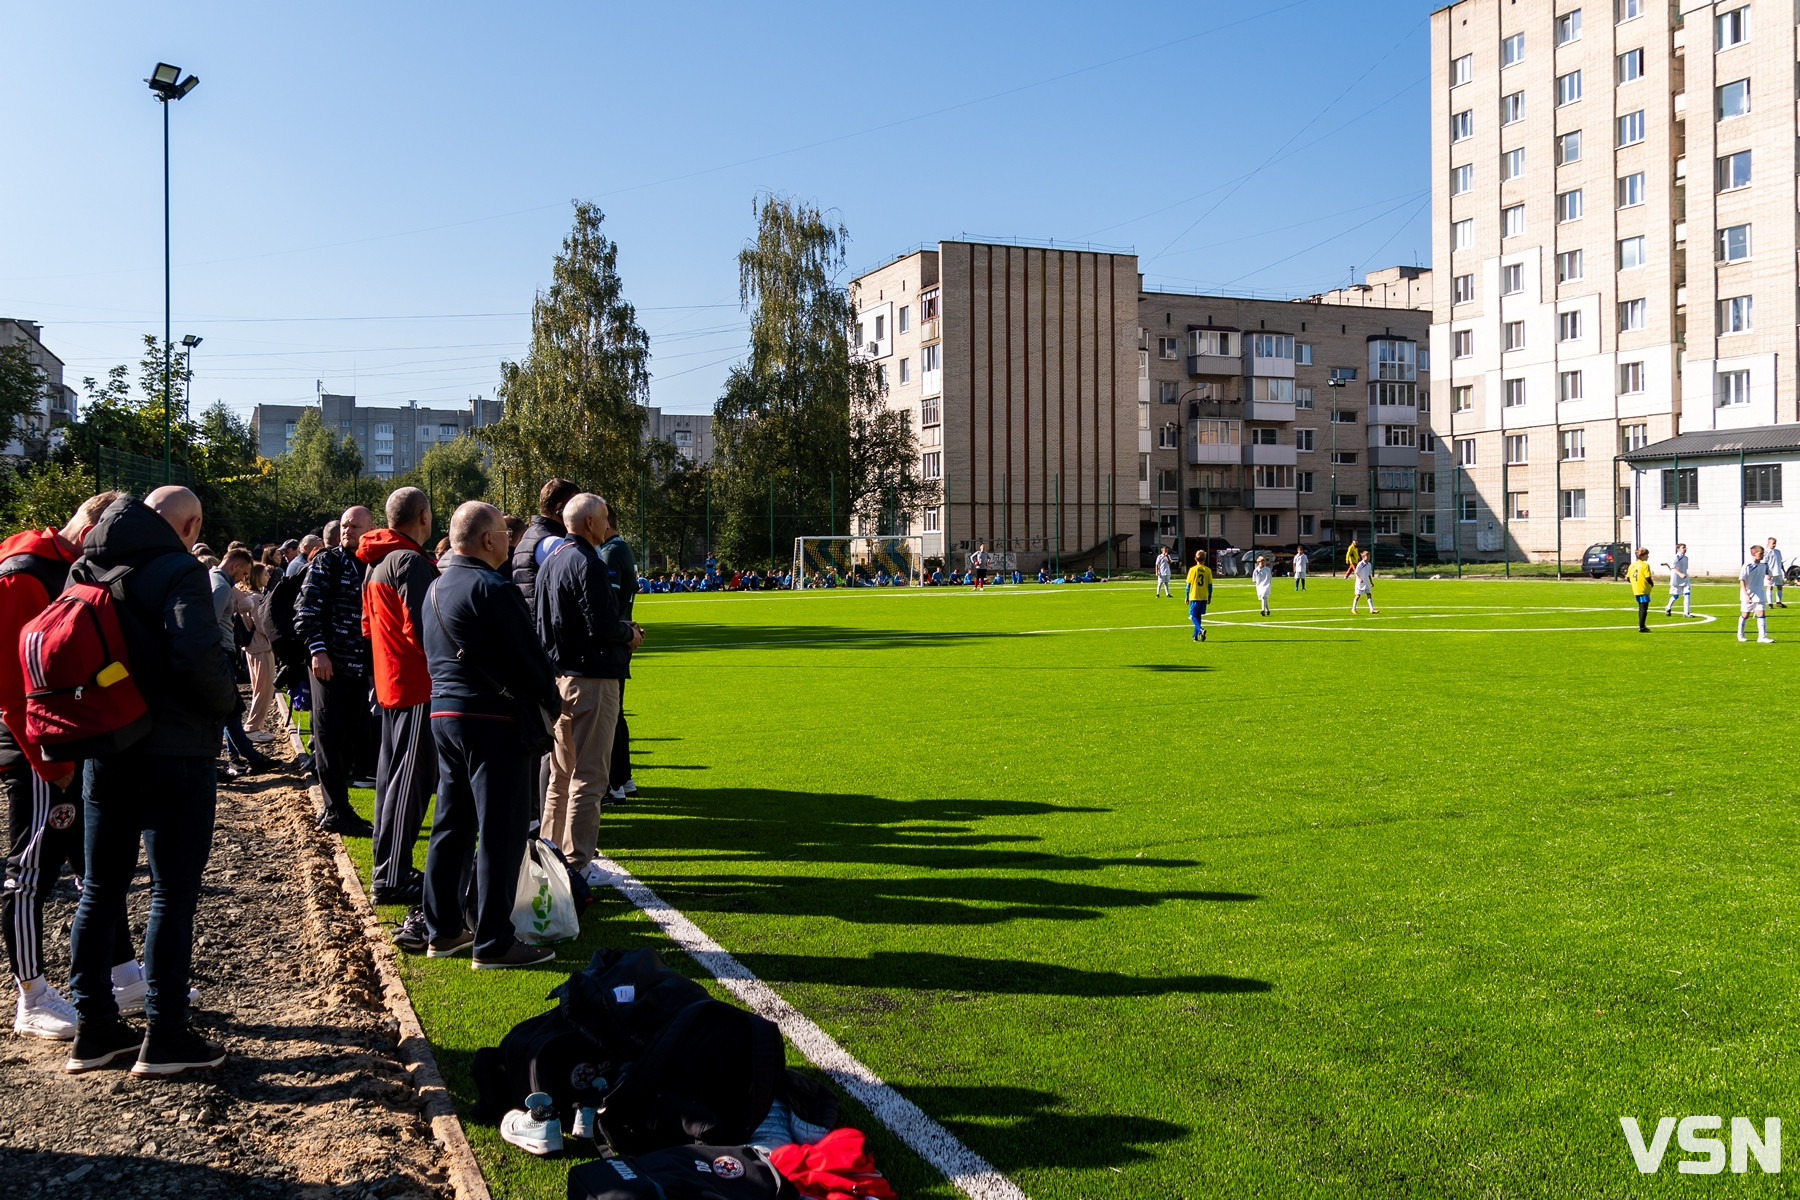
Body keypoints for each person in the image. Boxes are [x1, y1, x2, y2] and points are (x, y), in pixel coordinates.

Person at [65, 487, 239, 1077]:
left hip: (104, 748)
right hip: (173, 752)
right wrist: (223, 708)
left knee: (100, 890)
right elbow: (195, 656)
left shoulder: (85, 565)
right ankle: (165, 1033)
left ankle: (94, 1029)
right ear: (189, 526)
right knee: (171, 893)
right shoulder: (178, 570)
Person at [0, 492, 147, 1042]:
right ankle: (31, 994)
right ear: (90, 528)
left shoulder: (62, 567)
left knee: (95, 863)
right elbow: (12, 686)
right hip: (38, 749)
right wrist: (48, 760)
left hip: (69, 739)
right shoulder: (25, 575)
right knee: (31, 869)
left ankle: (124, 974)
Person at [419, 501, 560, 970]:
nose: (510, 539)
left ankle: (442, 930)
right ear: (486, 540)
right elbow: (533, 660)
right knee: (500, 830)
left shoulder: (436, 587)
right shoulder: (492, 586)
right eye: (503, 531)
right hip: (494, 719)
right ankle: (493, 940)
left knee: (451, 824)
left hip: (445, 715)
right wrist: (551, 704)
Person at [537, 495, 643, 887]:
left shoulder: (551, 562)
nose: (606, 524)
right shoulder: (589, 562)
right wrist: (628, 634)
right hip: (592, 679)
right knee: (589, 776)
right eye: (602, 518)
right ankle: (578, 862)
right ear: (587, 523)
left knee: (561, 775)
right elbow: (601, 625)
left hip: (560, 677)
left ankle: (550, 853)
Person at [357, 487, 439, 906]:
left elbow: (369, 629)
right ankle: (391, 876)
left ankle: (388, 866)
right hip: (415, 685)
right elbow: (423, 629)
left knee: (393, 781)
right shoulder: (408, 561)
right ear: (423, 516)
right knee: (410, 781)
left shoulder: (379, 562)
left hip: (391, 683)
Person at [297, 505, 375, 835]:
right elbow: (305, 611)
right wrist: (318, 651)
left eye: (355, 526)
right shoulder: (327, 561)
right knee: (329, 738)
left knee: (347, 741)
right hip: (331, 667)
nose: (348, 531)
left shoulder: (371, 565)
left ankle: (340, 807)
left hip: (360, 669)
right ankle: (334, 810)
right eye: (345, 525)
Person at [209, 548, 269, 776]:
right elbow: (211, 622)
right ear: (234, 566)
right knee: (231, 710)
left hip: (221, 654)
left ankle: (240, 758)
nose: (243, 579)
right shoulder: (222, 586)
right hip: (221, 653)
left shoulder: (216, 580)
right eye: (243, 573)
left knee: (232, 710)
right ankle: (249, 757)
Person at [596, 500, 640, 804]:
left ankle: (615, 783)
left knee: (610, 716)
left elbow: (607, 602)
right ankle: (624, 779)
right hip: (622, 636)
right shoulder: (620, 548)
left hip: (614, 640)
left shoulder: (611, 551)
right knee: (617, 715)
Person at [512, 477, 579, 609]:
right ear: (560, 508)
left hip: (531, 621)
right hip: (543, 624)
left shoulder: (530, 535)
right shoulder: (555, 543)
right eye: (575, 507)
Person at [241, 564, 278, 740]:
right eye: (265, 574)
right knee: (263, 688)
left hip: (256, 646)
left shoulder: (252, 596)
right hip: (261, 646)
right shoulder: (256, 598)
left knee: (261, 687)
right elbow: (261, 624)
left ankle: (256, 726)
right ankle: (253, 727)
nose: (268, 577)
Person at [1739, 544, 1775, 643]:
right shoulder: (1747, 566)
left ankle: (1762, 637)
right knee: (1745, 614)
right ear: (1754, 554)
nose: (1763, 555)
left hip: (1759, 593)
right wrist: (1746, 595)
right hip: (1749, 594)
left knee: (1761, 613)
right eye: (1761, 553)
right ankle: (1740, 634)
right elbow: (1742, 580)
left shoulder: (1764, 565)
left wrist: (1768, 576)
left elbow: (1767, 572)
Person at [1185, 550, 1213, 642]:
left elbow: (1188, 585)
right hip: (1204, 596)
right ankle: (1195, 636)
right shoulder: (1208, 570)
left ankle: (1201, 630)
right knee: (1198, 616)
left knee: (1192, 616)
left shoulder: (1192, 570)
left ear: (1195, 559)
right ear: (1205, 559)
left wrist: (1186, 596)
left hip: (1194, 595)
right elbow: (1210, 586)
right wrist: (1209, 597)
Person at [1626, 547, 1654, 633]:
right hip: (1644, 589)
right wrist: (1652, 584)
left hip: (1636, 588)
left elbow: (1628, 578)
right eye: (1647, 555)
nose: (1648, 557)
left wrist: (1635, 583)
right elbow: (1648, 577)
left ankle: (1641, 626)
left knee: (1641, 606)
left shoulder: (1632, 565)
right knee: (1643, 608)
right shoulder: (1645, 565)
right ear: (1642, 556)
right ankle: (1642, 626)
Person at [1662, 543, 1692, 619]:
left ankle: (1686, 612)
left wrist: (1684, 574)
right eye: (1683, 547)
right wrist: (1680, 574)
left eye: (1685, 547)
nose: (1685, 549)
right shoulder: (1676, 557)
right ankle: (1668, 607)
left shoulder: (1686, 558)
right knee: (1676, 595)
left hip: (1685, 578)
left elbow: (1684, 568)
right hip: (1676, 579)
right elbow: (1673, 567)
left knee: (1687, 594)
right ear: (1678, 549)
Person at [1350, 550, 1378, 615]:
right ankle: (1353, 609)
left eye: (1369, 556)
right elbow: (1356, 572)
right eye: (1367, 556)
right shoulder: (1360, 564)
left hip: (1366, 583)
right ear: (1363, 557)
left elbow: (1369, 574)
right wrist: (1359, 579)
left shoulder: (1369, 564)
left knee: (1369, 594)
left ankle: (1372, 609)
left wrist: (1371, 582)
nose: (1368, 557)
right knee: (1358, 595)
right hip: (1360, 583)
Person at [1766, 538, 1786, 608]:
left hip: (1778, 572)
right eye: (1773, 543)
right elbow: (1764, 563)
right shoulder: (1766, 552)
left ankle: (1778, 602)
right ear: (1768, 543)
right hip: (1771, 573)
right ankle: (1770, 603)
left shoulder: (1778, 551)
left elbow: (1780, 562)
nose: (1774, 545)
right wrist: (1766, 574)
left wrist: (1784, 571)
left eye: (1775, 543)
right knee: (1770, 587)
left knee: (1780, 586)